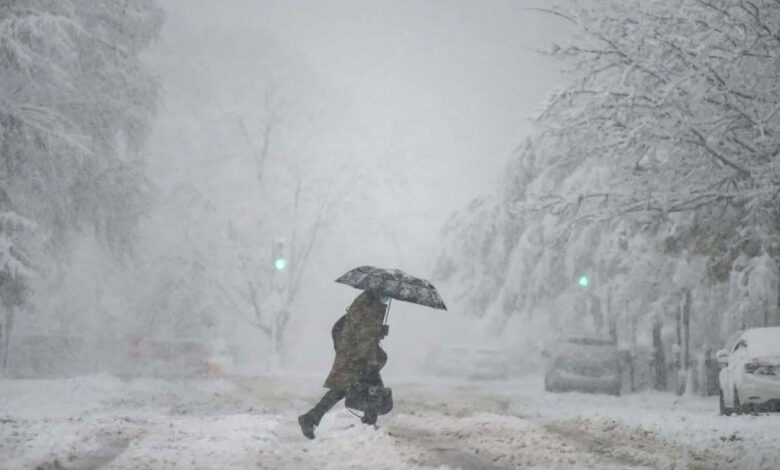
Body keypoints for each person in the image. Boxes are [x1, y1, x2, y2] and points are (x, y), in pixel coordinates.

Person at [298, 290, 390, 439]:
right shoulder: (366, 304)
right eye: (387, 294)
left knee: (346, 389)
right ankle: (367, 426)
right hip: (356, 356)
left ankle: (311, 418)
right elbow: (360, 331)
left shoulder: (371, 303)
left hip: (358, 355)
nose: (389, 297)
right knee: (371, 388)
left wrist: (377, 332)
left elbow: (362, 331)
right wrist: (377, 331)